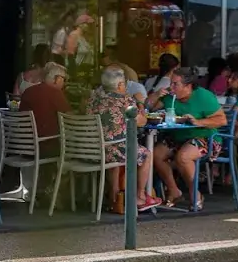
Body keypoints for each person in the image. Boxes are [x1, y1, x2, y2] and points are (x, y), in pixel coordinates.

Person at [85, 67, 161, 214]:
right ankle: (139, 197)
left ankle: (114, 198)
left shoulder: (93, 99)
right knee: (146, 154)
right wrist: (141, 110)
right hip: (113, 151)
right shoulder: (125, 101)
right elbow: (141, 122)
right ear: (120, 85)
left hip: (93, 151)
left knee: (116, 150)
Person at [152, 69, 227, 210]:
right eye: (171, 83)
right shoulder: (170, 95)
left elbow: (222, 120)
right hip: (178, 136)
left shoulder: (203, 96)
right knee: (155, 154)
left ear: (188, 86)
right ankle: (174, 191)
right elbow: (149, 107)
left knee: (183, 157)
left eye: (175, 84)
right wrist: (156, 95)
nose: (171, 87)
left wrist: (199, 122)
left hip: (205, 137)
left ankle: (196, 195)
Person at [17, 62, 70, 154]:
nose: (64, 83)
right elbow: (69, 118)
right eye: (64, 79)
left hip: (24, 146)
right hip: (45, 148)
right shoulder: (56, 93)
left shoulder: (28, 91)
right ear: (57, 79)